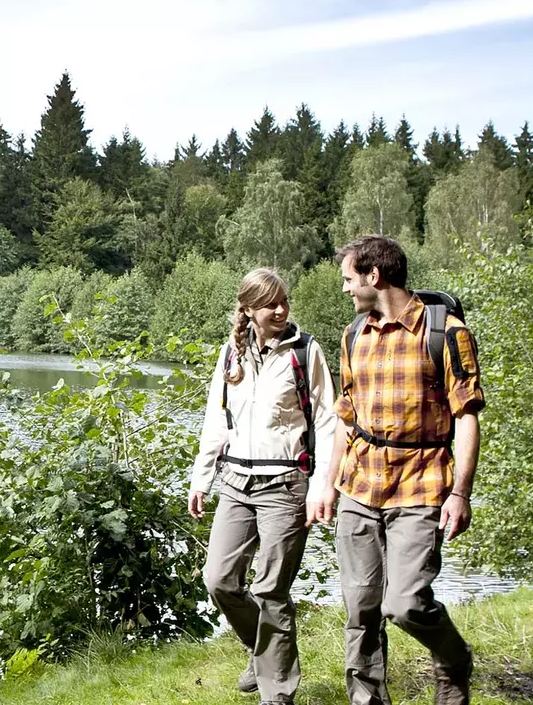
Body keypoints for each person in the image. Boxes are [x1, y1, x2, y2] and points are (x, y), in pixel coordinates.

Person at [310, 236, 484, 705]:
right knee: (360, 609)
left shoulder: (445, 333)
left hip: (422, 484)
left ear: (374, 276)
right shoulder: (353, 336)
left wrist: (461, 494)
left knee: (404, 604)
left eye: (349, 279)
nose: (345, 289)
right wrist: (326, 486)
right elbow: (347, 421)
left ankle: (453, 659)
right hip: (359, 487)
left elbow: (467, 416)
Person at [189, 268, 339, 705]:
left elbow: (328, 422)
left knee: (271, 588)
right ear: (249, 310)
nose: (280, 310)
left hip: (287, 484)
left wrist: (320, 486)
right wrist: (202, 477)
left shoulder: (305, 352)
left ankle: (277, 693)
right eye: (269, 304)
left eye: (284, 301)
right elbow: (216, 420)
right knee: (219, 579)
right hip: (235, 483)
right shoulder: (230, 354)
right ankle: (264, 650)